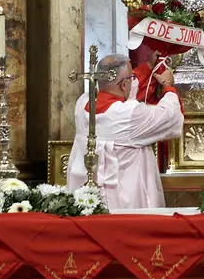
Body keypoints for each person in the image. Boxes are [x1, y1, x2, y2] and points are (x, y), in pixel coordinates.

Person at [67, 54, 184, 209]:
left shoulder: (82, 105)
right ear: (123, 85)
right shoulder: (129, 115)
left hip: (87, 200)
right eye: (131, 78)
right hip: (126, 204)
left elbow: (120, 89)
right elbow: (171, 116)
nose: (133, 81)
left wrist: (148, 66)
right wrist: (168, 86)